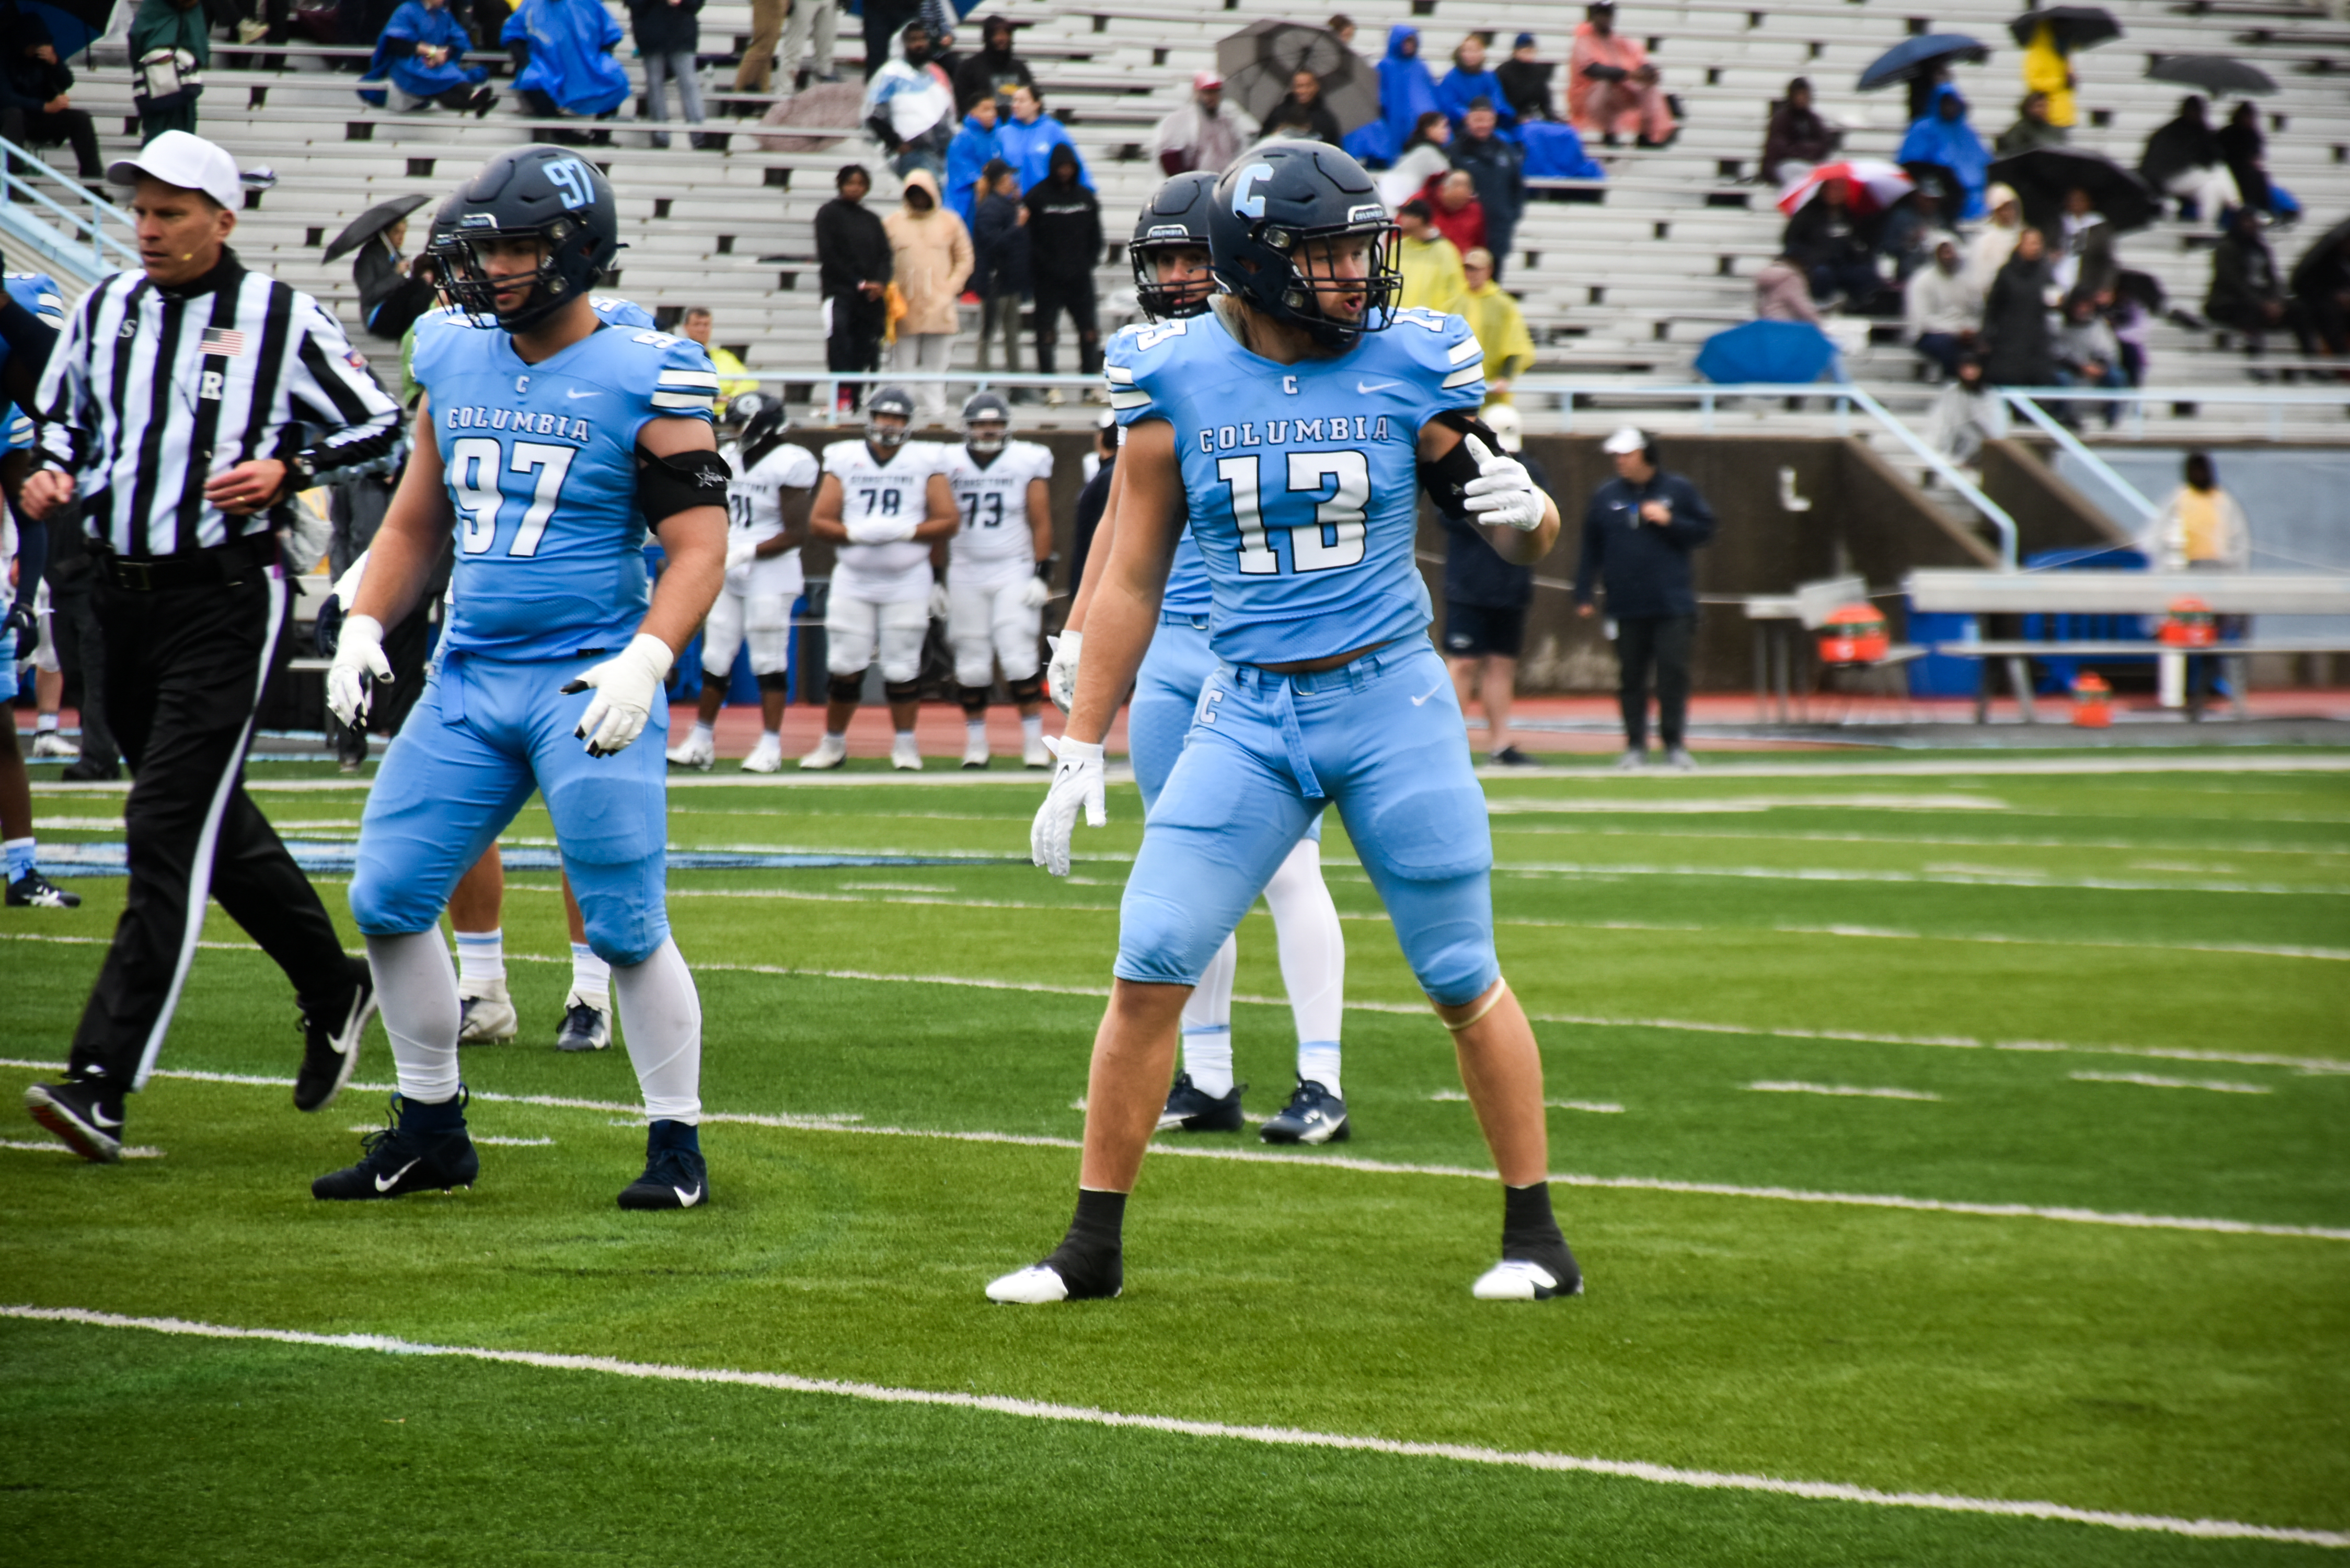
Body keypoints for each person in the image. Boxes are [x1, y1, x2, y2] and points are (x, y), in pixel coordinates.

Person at [1000, 142, 1576, 1306]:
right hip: (1245, 705)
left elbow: (1505, 524)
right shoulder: (1173, 375)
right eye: (1324, 254)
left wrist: (1538, 516)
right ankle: (1091, 1247)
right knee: (1149, 960)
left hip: (1390, 698)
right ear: (1256, 265)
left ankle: (1536, 1239)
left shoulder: (1410, 363)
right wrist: (1078, 735)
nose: (1357, 274)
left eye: (1359, 249)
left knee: (1461, 973)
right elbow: (1130, 579)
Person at [317, 146, 725, 1208]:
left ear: (575, 251)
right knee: (390, 895)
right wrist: (366, 620)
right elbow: (418, 516)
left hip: (590, 679)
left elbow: (698, 544)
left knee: (626, 922)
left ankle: (676, 1148)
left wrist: (648, 657)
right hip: (467, 672)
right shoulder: (450, 348)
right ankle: (431, 1126)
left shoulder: (652, 365)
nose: (488, 268)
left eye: (513, 247)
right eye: (482, 246)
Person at [18, 132, 402, 1164]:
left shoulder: (278, 317)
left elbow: (384, 428)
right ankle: (335, 986)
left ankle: (102, 1078)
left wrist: (292, 465)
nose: (149, 227)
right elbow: (56, 420)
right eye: (141, 208)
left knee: (163, 827)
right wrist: (45, 474)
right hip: (116, 593)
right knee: (206, 819)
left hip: (229, 600)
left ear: (222, 222)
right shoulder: (103, 309)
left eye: (172, 212)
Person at [800, 386, 957, 770]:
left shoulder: (925, 458)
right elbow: (819, 521)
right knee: (843, 664)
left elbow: (948, 520)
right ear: (871, 419)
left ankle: (906, 746)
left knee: (903, 665)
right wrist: (853, 533)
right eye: (884, 416)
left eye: (898, 418)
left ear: (908, 423)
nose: (889, 424)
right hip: (854, 577)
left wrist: (907, 533)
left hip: (907, 578)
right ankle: (833, 744)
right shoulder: (845, 456)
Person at [668, 393, 814, 775]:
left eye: (739, 424)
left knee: (768, 658)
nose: (733, 431)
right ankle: (700, 740)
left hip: (771, 570)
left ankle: (771, 745)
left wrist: (746, 553)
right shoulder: (728, 457)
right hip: (730, 566)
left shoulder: (791, 462)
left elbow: (797, 533)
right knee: (715, 654)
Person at [1573, 426, 1713, 773]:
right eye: (1617, 455)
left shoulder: (1677, 489)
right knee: (1631, 678)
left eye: (1627, 454)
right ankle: (1635, 744)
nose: (1620, 461)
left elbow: (1706, 530)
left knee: (1672, 674)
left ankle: (1674, 743)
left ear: (1646, 455)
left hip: (1671, 604)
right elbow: (1590, 546)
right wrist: (1583, 591)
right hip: (1625, 604)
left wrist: (1672, 521)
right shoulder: (1606, 495)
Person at [938, 390, 1052, 769]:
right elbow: (937, 518)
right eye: (981, 424)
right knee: (971, 662)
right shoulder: (947, 462)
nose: (988, 431)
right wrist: (937, 578)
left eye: (995, 424)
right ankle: (976, 743)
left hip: (1012, 568)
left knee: (1019, 657)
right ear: (967, 428)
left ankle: (1034, 743)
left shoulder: (1026, 460)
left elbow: (1041, 520)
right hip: (965, 569)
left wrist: (1042, 573)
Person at [1442, 401, 1542, 766]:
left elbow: (1544, 521)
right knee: (1464, 663)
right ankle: (1449, 745)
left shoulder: (1529, 470)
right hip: (1469, 583)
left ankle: (1500, 744)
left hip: (1511, 585)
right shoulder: (1462, 468)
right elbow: (1450, 517)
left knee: (1502, 664)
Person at [883, 167, 972, 421]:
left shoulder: (950, 221)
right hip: (904, 307)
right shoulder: (892, 223)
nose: (920, 198)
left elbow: (965, 259)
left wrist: (949, 289)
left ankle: (937, 416)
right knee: (903, 368)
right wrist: (891, 292)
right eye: (914, 193)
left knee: (936, 368)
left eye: (924, 193)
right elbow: (880, 260)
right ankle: (902, 415)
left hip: (940, 308)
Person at [1023, 142, 1102, 394]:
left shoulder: (1086, 198)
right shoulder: (1037, 197)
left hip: (1080, 280)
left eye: (1069, 167)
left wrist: (1086, 263)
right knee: (1046, 334)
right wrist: (1046, 267)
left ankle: (1089, 387)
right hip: (1048, 281)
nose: (1065, 171)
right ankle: (1049, 388)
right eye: (1061, 167)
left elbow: (1096, 237)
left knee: (1089, 332)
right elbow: (1029, 239)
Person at [816, 163, 891, 413]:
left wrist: (880, 283)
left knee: (864, 348)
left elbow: (884, 255)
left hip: (869, 299)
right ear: (840, 184)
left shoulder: (872, 220)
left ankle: (856, 400)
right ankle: (841, 397)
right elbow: (829, 255)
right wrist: (858, 282)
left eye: (860, 184)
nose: (855, 188)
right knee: (840, 344)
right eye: (850, 183)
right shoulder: (828, 214)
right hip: (839, 293)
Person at [3, 12, 104, 176]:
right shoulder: (5, 56)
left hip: (38, 118)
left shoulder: (42, 59)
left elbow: (67, 82)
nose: (38, 49)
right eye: (35, 45)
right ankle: (14, 178)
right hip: (9, 121)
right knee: (13, 114)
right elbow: (5, 97)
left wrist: (55, 62)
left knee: (81, 120)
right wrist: (44, 107)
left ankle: (94, 182)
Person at [502, 0, 628, 129]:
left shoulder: (588, 3)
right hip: (548, 67)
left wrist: (600, 58)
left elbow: (610, 33)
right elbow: (513, 34)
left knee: (615, 77)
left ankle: (602, 135)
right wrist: (527, 63)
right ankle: (561, 133)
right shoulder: (532, 5)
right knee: (533, 78)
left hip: (586, 67)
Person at [2206, 204, 2313, 354]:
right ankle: (2254, 353)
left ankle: (2310, 354)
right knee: (2248, 310)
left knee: (2298, 308)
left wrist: (2277, 301)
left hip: (2262, 302)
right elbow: (2232, 282)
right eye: (2246, 221)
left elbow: (2273, 278)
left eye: (2253, 221)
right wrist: (2261, 304)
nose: (2251, 225)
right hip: (2231, 302)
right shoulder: (2226, 248)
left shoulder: (2261, 249)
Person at [1569, 1, 1673, 149]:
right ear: (1593, 17)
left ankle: (1647, 135)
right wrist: (1629, 74)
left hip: (1619, 94)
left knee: (1648, 87)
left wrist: (1649, 72)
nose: (1605, 19)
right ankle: (1610, 134)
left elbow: (1640, 60)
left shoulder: (1621, 42)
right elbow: (1593, 70)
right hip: (1589, 99)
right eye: (1601, 15)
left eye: (1608, 15)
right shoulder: (1583, 41)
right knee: (1604, 83)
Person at [863, 20, 953, 180]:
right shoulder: (891, 74)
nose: (920, 44)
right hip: (913, 153)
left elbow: (947, 114)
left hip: (941, 152)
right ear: (903, 44)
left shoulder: (934, 74)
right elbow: (874, 115)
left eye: (923, 39)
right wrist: (897, 145)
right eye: (913, 40)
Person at [1450, 98, 1525, 278]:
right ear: (1468, 120)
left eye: (1486, 120)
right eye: (1477, 120)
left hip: (1497, 231)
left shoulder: (1506, 152)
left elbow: (1517, 189)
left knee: (1492, 281)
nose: (1482, 125)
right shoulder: (1455, 152)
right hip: (1464, 233)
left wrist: (1509, 216)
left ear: (1493, 121)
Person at [1783, 176, 1880, 309]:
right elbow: (1791, 241)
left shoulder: (1852, 216)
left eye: (1841, 190)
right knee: (1823, 274)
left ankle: (1860, 306)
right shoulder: (1807, 214)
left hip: (1844, 262)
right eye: (1833, 189)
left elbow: (1862, 241)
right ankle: (1820, 304)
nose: (1836, 193)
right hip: (1816, 263)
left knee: (1864, 274)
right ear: (1824, 190)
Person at [1896, 83, 1988, 221]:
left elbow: (1984, 160)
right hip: (1944, 192)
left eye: (1953, 103)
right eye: (1946, 103)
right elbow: (1912, 162)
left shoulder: (1966, 130)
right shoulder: (1924, 128)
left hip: (1978, 195)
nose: (1950, 107)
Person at [2144, 452, 2249, 572]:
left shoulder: (2224, 501)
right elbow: (2157, 535)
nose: (2199, 474)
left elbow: (2239, 541)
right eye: (2194, 470)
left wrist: (2235, 571)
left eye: (2202, 470)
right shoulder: (2178, 500)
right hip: (2186, 568)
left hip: (2219, 567)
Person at [2140, 96, 2239, 223]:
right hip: (2168, 179)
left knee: (2212, 187)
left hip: (2192, 179)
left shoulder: (2201, 131)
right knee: (2217, 172)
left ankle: (2205, 227)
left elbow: (2215, 155)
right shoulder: (2170, 132)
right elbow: (2157, 166)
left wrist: (2206, 133)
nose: (2195, 114)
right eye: (2192, 111)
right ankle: (2237, 207)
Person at [970, 158, 1026, 376]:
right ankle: (981, 378)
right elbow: (992, 244)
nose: (1012, 181)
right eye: (1008, 177)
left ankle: (1016, 380)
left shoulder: (1006, 205)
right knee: (989, 331)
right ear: (1001, 180)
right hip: (996, 281)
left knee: (1011, 332)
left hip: (1009, 280)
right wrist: (1017, 226)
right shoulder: (990, 208)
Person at [1980, 225, 2055, 386]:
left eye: (2038, 243)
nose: (2035, 247)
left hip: (2037, 342)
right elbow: (1993, 307)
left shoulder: (2046, 272)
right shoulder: (2006, 273)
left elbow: (2054, 298)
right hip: (2009, 341)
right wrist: (1986, 335)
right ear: (2021, 245)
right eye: (2031, 243)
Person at [1456, 248, 1534, 401]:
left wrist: (1505, 377)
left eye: (1477, 270)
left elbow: (1516, 345)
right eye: (1469, 269)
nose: (1472, 274)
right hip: (1458, 388)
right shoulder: (1455, 301)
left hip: (1491, 389)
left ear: (1489, 271)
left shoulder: (1504, 305)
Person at [628, 0, 707, 148]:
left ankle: (699, 133)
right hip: (650, 31)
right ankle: (660, 134)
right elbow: (635, 5)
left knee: (688, 82)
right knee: (655, 84)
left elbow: (696, 5)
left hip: (681, 31)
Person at [1360, 25, 1441, 168]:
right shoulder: (1386, 66)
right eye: (1405, 42)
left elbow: (1430, 95)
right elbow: (1379, 96)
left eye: (1412, 42)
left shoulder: (1420, 66)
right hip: (1394, 121)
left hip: (1417, 124)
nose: (1408, 46)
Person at [129, 0, 208, 144]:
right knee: (183, 136)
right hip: (181, 77)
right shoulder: (193, 8)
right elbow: (199, 44)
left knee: (156, 133)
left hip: (156, 77)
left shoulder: (153, 6)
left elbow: (137, 36)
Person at [1151, 69, 1252, 177]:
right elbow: (1169, 158)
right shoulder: (1180, 121)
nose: (1211, 98)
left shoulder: (1228, 123)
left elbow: (1240, 152)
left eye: (1215, 92)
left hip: (1223, 181)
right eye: (1207, 92)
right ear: (1197, 93)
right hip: (1196, 183)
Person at [1905, 234, 1978, 377]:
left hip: (1964, 332)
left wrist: (1971, 330)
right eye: (1943, 252)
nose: (1948, 256)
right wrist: (1956, 332)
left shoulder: (1968, 280)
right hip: (1930, 334)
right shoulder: (1922, 280)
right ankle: (1953, 384)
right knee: (1948, 347)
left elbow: (1977, 311)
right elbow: (1923, 320)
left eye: (1951, 251)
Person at [355, 214, 436, 342]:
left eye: (403, 233)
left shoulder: (397, 256)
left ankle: (424, 329)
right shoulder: (368, 258)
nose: (401, 238)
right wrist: (396, 274)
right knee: (418, 285)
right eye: (396, 232)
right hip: (377, 317)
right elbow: (369, 295)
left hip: (395, 315)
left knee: (421, 289)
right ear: (386, 234)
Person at [998, 83, 1087, 194]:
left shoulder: (1054, 130)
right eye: (1014, 101)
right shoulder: (1003, 133)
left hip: (1045, 202)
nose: (1015, 105)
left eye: (1021, 101)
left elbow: (1073, 162)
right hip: (1011, 203)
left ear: (1037, 104)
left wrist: (1086, 192)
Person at [1927, 354, 2006, 466]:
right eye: (1966, 368)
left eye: (1973, 368)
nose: (1969, 372)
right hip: (1955, 446)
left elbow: (1997, 429)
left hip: (1982, 448)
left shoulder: (1990, 395)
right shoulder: (1951, 393)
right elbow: (1939, 422)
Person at [1395, 198, 1467, 315]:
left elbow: (1456, 293)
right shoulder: (1397, 248)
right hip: (1397, 322)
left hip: (1431, 326)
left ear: (1419, 220)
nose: (1400, 219)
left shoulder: (1445, 252)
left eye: (1405, 215)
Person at [1760, 77, 1837, 187]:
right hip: (1783, 165)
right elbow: (1780, 149)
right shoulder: (1781, 119)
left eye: (1804, 95)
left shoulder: (1813, 119)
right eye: (1799, 94)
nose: (1801, 99)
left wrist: (1802, 149)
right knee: (1799, 173)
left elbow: (1824, 144)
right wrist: (1806, 150)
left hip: (1809, 164)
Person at [953, 14, 1032, 117]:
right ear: (987, 37)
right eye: (997, 34)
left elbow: (1031, 99)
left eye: (1006, 34)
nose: (1002, 39)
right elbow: (964, 105)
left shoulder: (1020, 68)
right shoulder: (968, 68)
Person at [944, 91, 1003, 225]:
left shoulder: (999, 136)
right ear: (973, 113)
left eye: (993, 109)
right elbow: (976, 181)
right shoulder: (962, 140)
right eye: (986, 110)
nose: (992, 114)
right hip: (965, 205)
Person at [1437, 33, 1513, 136]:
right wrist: (1470, 117)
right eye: (1467, 51)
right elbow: (1448, 104)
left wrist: (1492, 116)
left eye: (1475, 51)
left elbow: (1498, 101)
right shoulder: (1451, 77)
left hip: (1488, 126)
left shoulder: (1489, 77)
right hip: (1459, 127)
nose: (1471, 55)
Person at [2051, 185, 2116, 302]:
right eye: (2072, 200)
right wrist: (2051, 254)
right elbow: (2046, 246)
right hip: (2059, 280)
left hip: (2087, 283)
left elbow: (2108, 261)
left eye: (2081, 200)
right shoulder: (2059, 223)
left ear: (2089, 203)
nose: (2076, 204)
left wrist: (2106, 287)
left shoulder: (2099, 227)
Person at [1375, 110, 1451, 210]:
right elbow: (1447, 177)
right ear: (1429, 129)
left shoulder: (1414, 149)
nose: (1447, 131)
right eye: (1443, 127)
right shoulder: (1428, 153)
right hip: (1403, 201)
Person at [1876, 177, 1948, 283]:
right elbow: (1888, 247)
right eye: (1928, 199)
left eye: (1935, 200)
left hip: (1935, 270)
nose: (1931, 204)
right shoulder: (1901, 217)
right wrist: (1910, 240)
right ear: (1918, 197)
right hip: (1909, 272)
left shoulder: (1938, 219)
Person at [676, 305, 755, 402]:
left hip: (725, 413)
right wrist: (718, 397)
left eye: (706, 325)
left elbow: (751, 382)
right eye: (697, 324)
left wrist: (731, 397)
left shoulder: (723, 356)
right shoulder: (679, 356)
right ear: (686, 328)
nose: (702, 330)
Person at [2217, 101, 2273, 217]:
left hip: (2247, 171)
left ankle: (2261, 210)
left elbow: (2256, 157)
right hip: (2229, 169)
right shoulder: (2227, 134)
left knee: (2260, 177)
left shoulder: (2253, 135)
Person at [2019, 20, 2075, 133]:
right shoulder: (2037, 53)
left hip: (2064, 115)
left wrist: (2071, 81)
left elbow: (2067, 80)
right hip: (2046, 118)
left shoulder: (2063, 53)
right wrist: (2061, 81)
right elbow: (2034, 80)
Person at [1259, 67, 1341, 144]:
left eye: (1308, 86)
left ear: (1316, 87)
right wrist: (1275, 135)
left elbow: (1334, 150)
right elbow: (1262, 140)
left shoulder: (1326, 120)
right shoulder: (1279, 113)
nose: (1303, 91)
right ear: (1293, 88)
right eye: (1299, 86)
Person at [1968, 182, 2025, 292]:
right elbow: (1980, 278)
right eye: (2002, 209)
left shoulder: (2024, 235)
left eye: (2010, 208)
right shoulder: (1985, 241)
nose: (2007, 213)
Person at [1424, 167, 1485, 259]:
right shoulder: (1424, 202)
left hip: (1460, 265)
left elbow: (1479, 244)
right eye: (1457, 186)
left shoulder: (1475, 211)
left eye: (1466, 187)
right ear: (1444, 189)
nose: (1461, 192)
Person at [1495, 33, 1554, 125]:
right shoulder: (1503, 71)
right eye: (1525, 51)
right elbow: (1499, 101)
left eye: (1531, 51)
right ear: (1516, 52)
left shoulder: (1538, 72)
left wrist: (1553, 118)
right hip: (1507, 120)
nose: (1529, 55)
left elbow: (1545, 101)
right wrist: (1515, 117)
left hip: (1529, 117)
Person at [1754, 251, 1822, 324]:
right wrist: (1819, 325)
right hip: (1787, 326)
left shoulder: (1765, 277)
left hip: (1767, 324)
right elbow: (1802, 307)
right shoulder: (1790, 278)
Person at [1995, 90, 2065, 157]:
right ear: (2028, 108)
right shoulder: (2019, 131)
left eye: (2046, 106)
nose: (2043, 110)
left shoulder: (2054, 130)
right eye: (2039, 106)